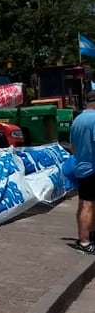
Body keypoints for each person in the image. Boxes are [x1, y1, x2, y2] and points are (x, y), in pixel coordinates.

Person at [68, 90, 95, 252]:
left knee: (85, 203)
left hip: (81, 167)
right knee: (88, 205)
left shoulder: (78, 120)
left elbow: (72, 146)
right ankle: (84, 242)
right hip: (92, 168)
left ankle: (88, 235)